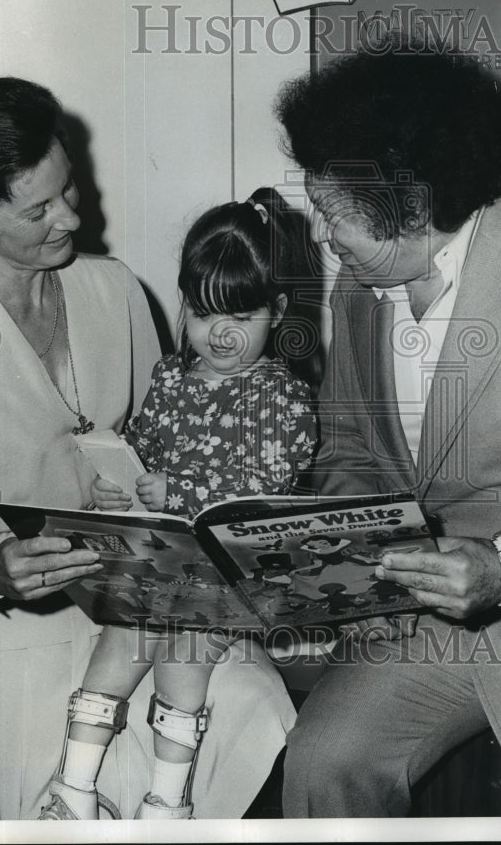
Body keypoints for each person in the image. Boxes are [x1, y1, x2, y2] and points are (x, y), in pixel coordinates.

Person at [0, 78, 298, 820]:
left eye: (68, 188)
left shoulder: (114, 289)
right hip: (11, 635)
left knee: (253, 711)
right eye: (38, 209)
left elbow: (175, 434)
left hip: (148, 604)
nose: (71, 216)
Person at [274, 42, 501, 817]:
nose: (323, 235)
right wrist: (333, 545)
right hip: (427, 621)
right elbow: (350, 451)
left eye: (331, 212)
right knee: (322, 758)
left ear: (414, 207)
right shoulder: (362, 286)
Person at [38, 188, 319, 820]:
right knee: (118, 638)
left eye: (241, 318)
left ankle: (167, 801)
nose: (218, 334)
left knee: (182, 655)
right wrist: (118, 479)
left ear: (276, 312)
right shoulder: (170, 378)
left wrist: (183, 493)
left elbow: (265, 495)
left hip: (232, 573)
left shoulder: (282, 397)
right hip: (164, 565)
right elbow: (140, 447)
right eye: (200, 312)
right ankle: (74, 789)